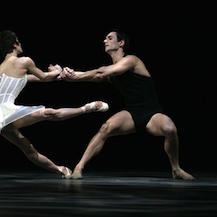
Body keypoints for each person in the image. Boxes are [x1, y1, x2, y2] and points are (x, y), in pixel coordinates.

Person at [0, 30, 108, 178]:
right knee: (48, 114)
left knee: (28, 148)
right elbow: (44, 78)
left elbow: (30, 79)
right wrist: (57, 70)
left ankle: (60, 169)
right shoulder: (24, 61)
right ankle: (88, 107)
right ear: (15, 44)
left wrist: (56, 74)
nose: (20, 44)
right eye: (18, 41)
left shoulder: (1, 67)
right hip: (3, 112)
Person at [61, 29, 195, 180]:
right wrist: (67, 73)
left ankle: (176, 169)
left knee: (170, 128)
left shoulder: (132, 60)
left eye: (109, 38)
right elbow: (88, 75)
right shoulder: (111, 73)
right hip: (131, 114)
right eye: (105, 38)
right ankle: (79, 167)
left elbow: (101, 72)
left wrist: (76, 77)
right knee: (105, 128)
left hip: (151, 113)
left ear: (121, 43)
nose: (105, 41)